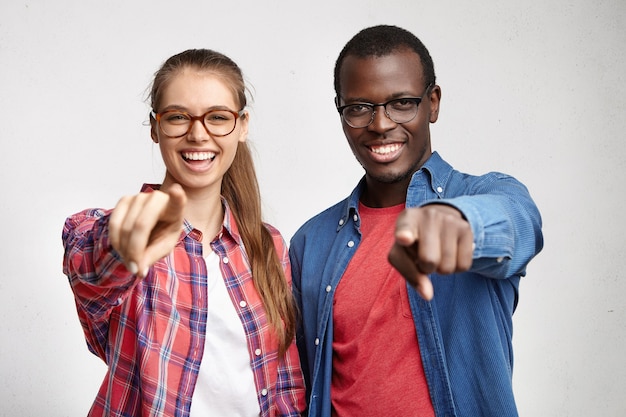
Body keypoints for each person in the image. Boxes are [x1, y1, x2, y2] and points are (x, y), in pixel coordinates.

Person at [289, 25, 543, 417]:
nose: (380, 124)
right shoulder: (311, 241)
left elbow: (518, 225)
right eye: (359, 107)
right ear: (341, 113)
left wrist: (458, 223)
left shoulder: (484, 195)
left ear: (433, 103)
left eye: (402, 103)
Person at [62, 48, 305, 417]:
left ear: (242, 126)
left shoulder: (268, 246)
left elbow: (285, 387)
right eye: (178, 117)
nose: (197, 133)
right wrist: (122, 243)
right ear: (155, 128)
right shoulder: (130, 238)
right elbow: (87, 259)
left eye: (218, 117)